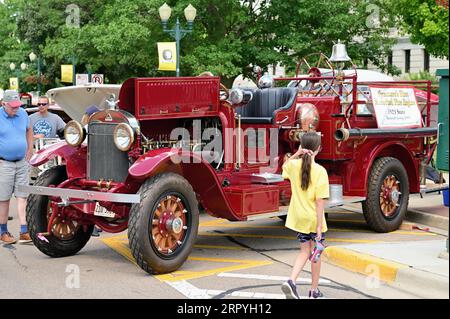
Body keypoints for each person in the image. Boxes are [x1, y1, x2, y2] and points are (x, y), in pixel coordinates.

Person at [280, 132, 329, 299]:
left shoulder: (294, 167)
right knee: (316, 254)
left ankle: (291, 281)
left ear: (302, 146)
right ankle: (314, 291)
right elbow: (320, 201)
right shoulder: (321, 171)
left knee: (304, 251)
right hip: (314, 218)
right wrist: (319, 228)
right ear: (318, 149)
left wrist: (296, 154)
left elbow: (284, 167)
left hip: (299, 218)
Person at [0, 90, 34, 244]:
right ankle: (3, 231)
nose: (16, 109)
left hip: (21, 162)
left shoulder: (23, 114)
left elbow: (29, 130)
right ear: (3, 104)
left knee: (22, 197)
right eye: (12, 106)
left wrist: (30, 149)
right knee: (3, 198)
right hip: (4, 162)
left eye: (17, 105)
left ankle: (24, 231)